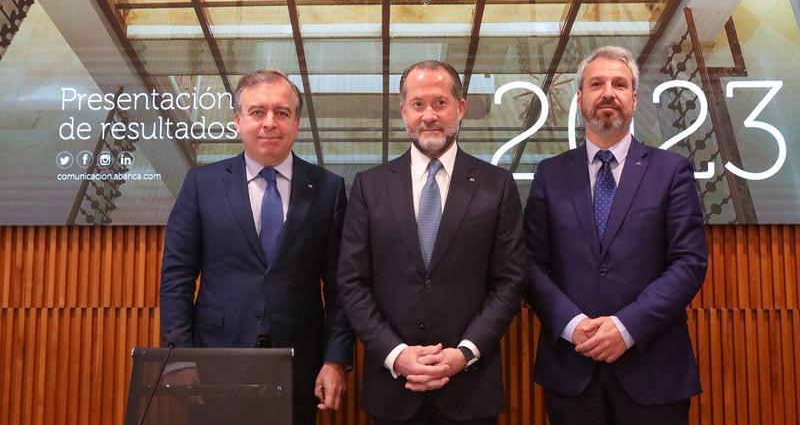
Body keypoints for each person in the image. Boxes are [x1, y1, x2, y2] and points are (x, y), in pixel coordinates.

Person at [524, 46, 708, 424]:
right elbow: (529, 263)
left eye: (619, 84)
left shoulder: (672, 171)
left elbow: (689, 262)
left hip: (653, 370)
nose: (608, 92)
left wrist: (626, 327)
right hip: (572, 369)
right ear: (580, 99)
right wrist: (573, 325)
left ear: (634, 99)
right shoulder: (550, 174)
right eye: (596, 84)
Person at [160, 69, 353, 425]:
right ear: (238, 120)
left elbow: (341, 284)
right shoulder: (202, 184)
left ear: (296, 123)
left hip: (300, 365)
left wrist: (335, 359)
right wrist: (180, 356)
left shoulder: (328, 189)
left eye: (282, 112)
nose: (269, 123)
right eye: (257, 112)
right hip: (214, 361)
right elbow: (177, 275)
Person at [338, 60, 525, 425]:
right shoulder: (369, 186)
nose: (429, 116)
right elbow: (352, 281)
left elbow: (510, 281)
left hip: (470, 387)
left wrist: (464, 353)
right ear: (403, 111)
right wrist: (396, 354)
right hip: (393, 388)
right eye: (418, 104)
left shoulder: (497, 186)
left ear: (461, 107)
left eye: (440, 103)